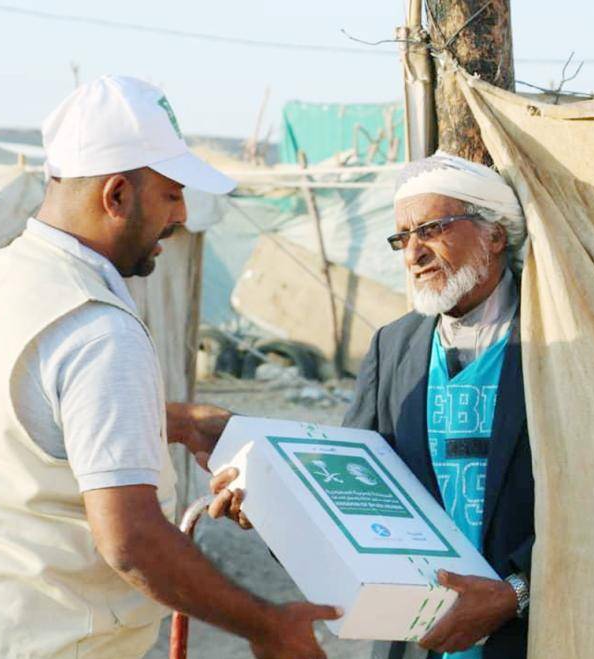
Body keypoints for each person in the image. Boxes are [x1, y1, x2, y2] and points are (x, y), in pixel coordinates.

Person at [0, 76, 339, 659]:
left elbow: (21, 420)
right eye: (171, 195)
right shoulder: (96, 327)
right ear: (117, 195)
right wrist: (267, 624)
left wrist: (177, 422)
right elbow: (132, 540)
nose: (181, 214)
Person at [210, 152, 533, 659]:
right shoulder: (394, 347)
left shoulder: (558, 344)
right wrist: (269, 505)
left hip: (532, 638)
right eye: (402, 238)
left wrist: (515, 594)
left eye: (431, 229)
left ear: (495, 235)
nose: (413, 254)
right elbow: (351, 492)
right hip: (417, 641)